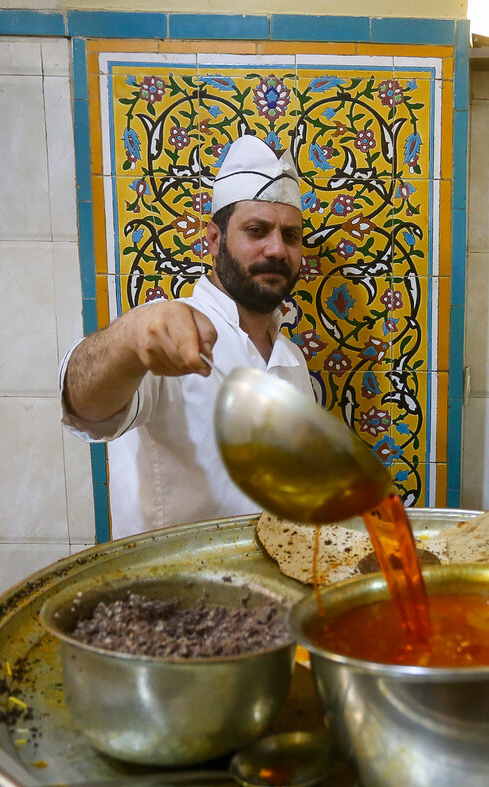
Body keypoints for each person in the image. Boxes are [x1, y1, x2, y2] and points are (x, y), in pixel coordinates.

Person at [60, 134, 312, 538]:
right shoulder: (164, 335)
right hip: (175, 593)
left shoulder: (292, 360)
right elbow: (82, 406)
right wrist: (129, 339)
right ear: (214, 239)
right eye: (257, 230)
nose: (277, 250)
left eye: (291, 236)